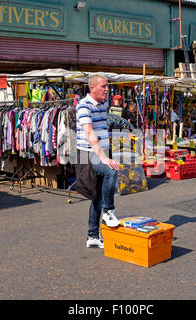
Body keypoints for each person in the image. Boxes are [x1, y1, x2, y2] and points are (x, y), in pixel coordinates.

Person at [76, 74, 121, 249]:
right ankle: (108, 211)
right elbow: (89, 133)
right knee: (111, 171)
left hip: (100, 151)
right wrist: (103, 158)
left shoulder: (103, 105)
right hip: (88, 154)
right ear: (92, 88)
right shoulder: (83, 106)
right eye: (104, 86)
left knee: (97, 197)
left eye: (108, 86)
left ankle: (92, 236)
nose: (107, 89)